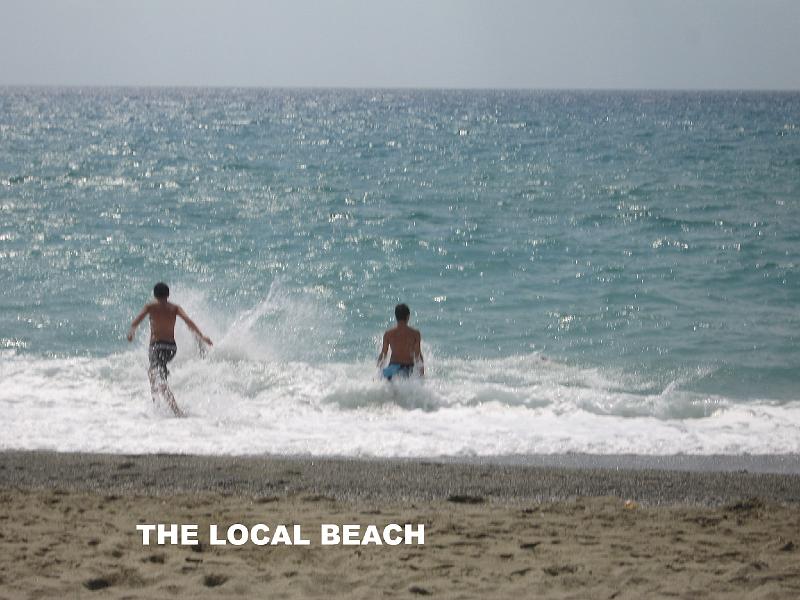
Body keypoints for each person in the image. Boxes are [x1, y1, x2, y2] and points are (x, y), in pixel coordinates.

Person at [127, 282, 213, 416]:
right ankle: (157, 406)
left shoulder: (150, 306)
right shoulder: (175, 308)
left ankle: (174, 410)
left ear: (154, 295)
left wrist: (131, 334)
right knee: (154, 374)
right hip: (171, 348)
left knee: (157, 377)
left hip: (157, 347)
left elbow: (135, 322)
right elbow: (188, 321)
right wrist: (202, 336)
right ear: (168, 294)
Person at [377, 303, 424, 380]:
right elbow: (417, 355)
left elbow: (383, 354)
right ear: (408, 316)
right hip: (408, 369)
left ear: (396, 317)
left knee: (387, 385)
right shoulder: (415, 334)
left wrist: (378, 371)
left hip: (392, 369)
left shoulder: (388, 333)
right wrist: (421, 373)